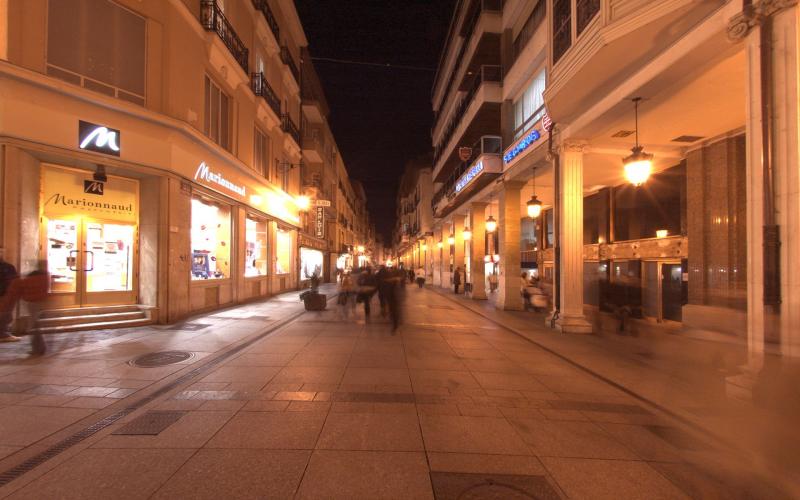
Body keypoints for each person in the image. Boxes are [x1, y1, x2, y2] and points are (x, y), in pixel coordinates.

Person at [0, 251, 20, 342]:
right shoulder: (8, 267)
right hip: (5, 294)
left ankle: (3, 333)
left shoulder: (8, 267)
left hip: (5, 294)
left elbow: (14, 281)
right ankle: (3, 334)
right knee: (5, 314)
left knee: (5, 314)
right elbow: (14, 281)